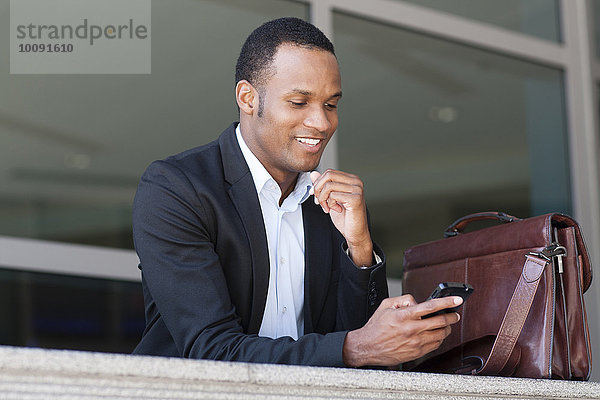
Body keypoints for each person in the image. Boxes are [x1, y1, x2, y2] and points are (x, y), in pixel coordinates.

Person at [132, 17, 461, 368]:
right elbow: (212, 351)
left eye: (331, 105)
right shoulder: (177, 189)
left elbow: (363, 346)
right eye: (299, 102)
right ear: (247, 98)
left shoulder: (331, 204)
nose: (321, 123)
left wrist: (360, 248)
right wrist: (356, 348)